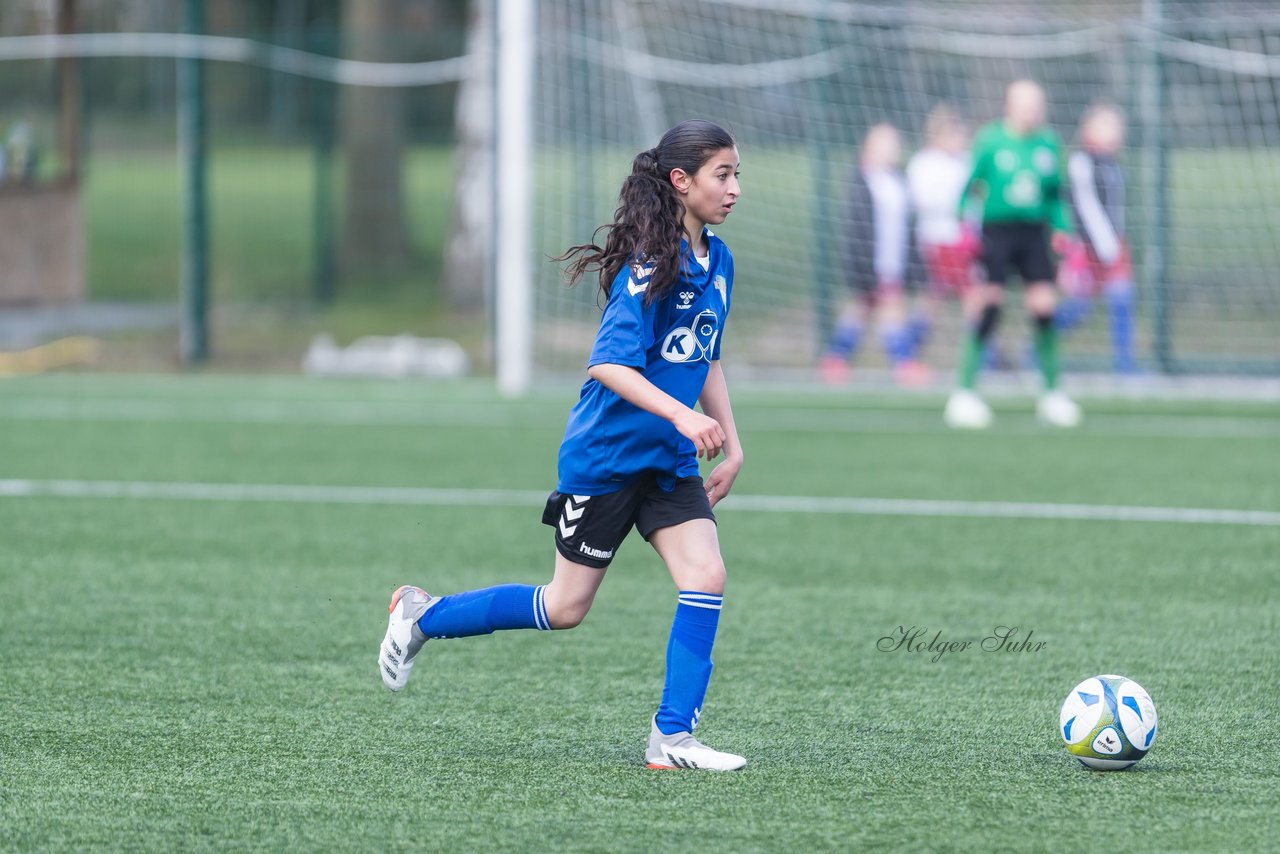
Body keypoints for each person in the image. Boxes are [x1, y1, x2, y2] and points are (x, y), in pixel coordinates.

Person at [377, 120, 747, 771]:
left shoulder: (720, 261)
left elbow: (706, 353)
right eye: (724, 174)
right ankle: (421, 615)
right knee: (564, 606)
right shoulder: (650, 266)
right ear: (681, 182)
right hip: (604, 460)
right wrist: (685, 418)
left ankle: (671, 737)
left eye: (737, 174)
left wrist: (731, 441)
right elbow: (609, 364)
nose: (735, 188)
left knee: (706, 575)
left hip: (665, 463)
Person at [945, 80, 1083, 429]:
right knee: (989, 306)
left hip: (1034, 234)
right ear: (1009, 106)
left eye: (1037, 105)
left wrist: (1063, 229)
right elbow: (970, 188)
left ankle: (1052, 393)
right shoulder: (990, 140)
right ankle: (964, 393)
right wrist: (963, 226)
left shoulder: (1048, 143)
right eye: (1025, 104)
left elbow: (1055, 196)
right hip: (996, 233)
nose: (1031, 111)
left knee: (1044, 307)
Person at [819, 123, 930, 387]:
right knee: (887, 310)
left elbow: (907, 225)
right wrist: (862, 265)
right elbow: (855, 226)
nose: (893, 149)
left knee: (862, 312)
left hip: (894, 260)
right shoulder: (862, 179)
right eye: (886, 143)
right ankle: (903, 363)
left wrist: (915, 263)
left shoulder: (898, 180)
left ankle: (835, 358)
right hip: (869, 261)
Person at [1059, 103, 1137, 374]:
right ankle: (1035, 350)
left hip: (1112, 246)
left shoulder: (1111, 163)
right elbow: (1087, 209)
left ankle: (1124, 365)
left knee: (1123, 299)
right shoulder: (1081, 161)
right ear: (1090, 129)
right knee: (1080, 308)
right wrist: (1106, 248)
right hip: (1089, 249)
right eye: (1108, 126)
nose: (1116, 132)